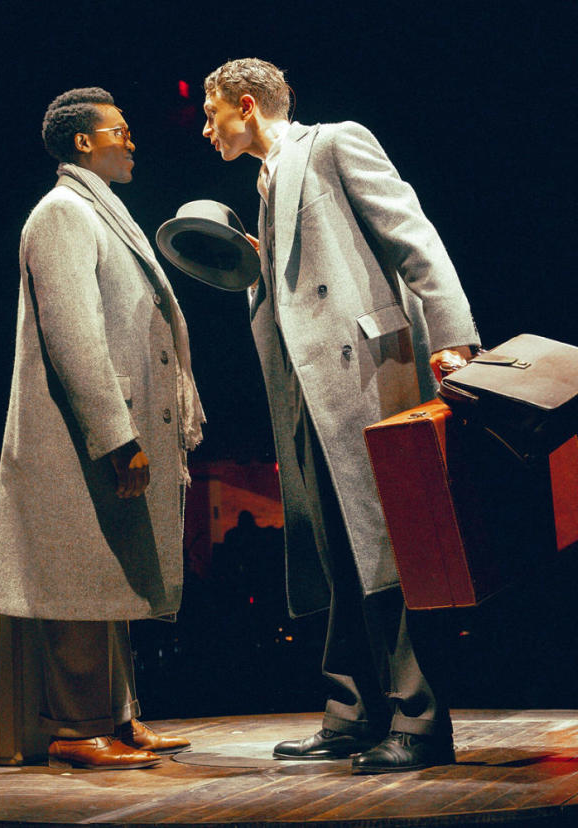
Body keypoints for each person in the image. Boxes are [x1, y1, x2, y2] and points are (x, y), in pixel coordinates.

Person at [200, 58, 480, 773]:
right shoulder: (263, 182)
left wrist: (453, 335)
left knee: (385, 545)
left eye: (213, 116)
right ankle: (352, 712)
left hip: (363, 374)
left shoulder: (333, 143)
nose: (206, 130)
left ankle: (418, 720)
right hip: (303, 387)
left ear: (247, 106)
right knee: (331, 551)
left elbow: (410, 231)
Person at [0, 87, 204, 770]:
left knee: (112, 574)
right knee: (80, 580)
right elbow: (73, 332)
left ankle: (119, 717)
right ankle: (79, 730)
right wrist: (116, 435)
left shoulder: (95, 211)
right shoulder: (61, 215)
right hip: (80, 436)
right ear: (85, 142)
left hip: (107, 428)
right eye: (121, 131)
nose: (132, 141)